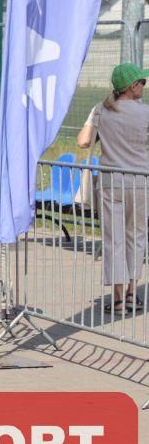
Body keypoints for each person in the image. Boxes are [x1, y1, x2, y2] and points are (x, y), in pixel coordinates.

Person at [77, 63, 149, 315]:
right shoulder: (145, 112)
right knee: (136, 237)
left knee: (113, 240)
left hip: (110, 183)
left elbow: (84, 141)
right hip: (139, 181)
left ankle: (117, 299)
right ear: (132, 86)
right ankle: (131, 293)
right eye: (142, 82)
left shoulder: (102, 110)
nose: (144, 86)